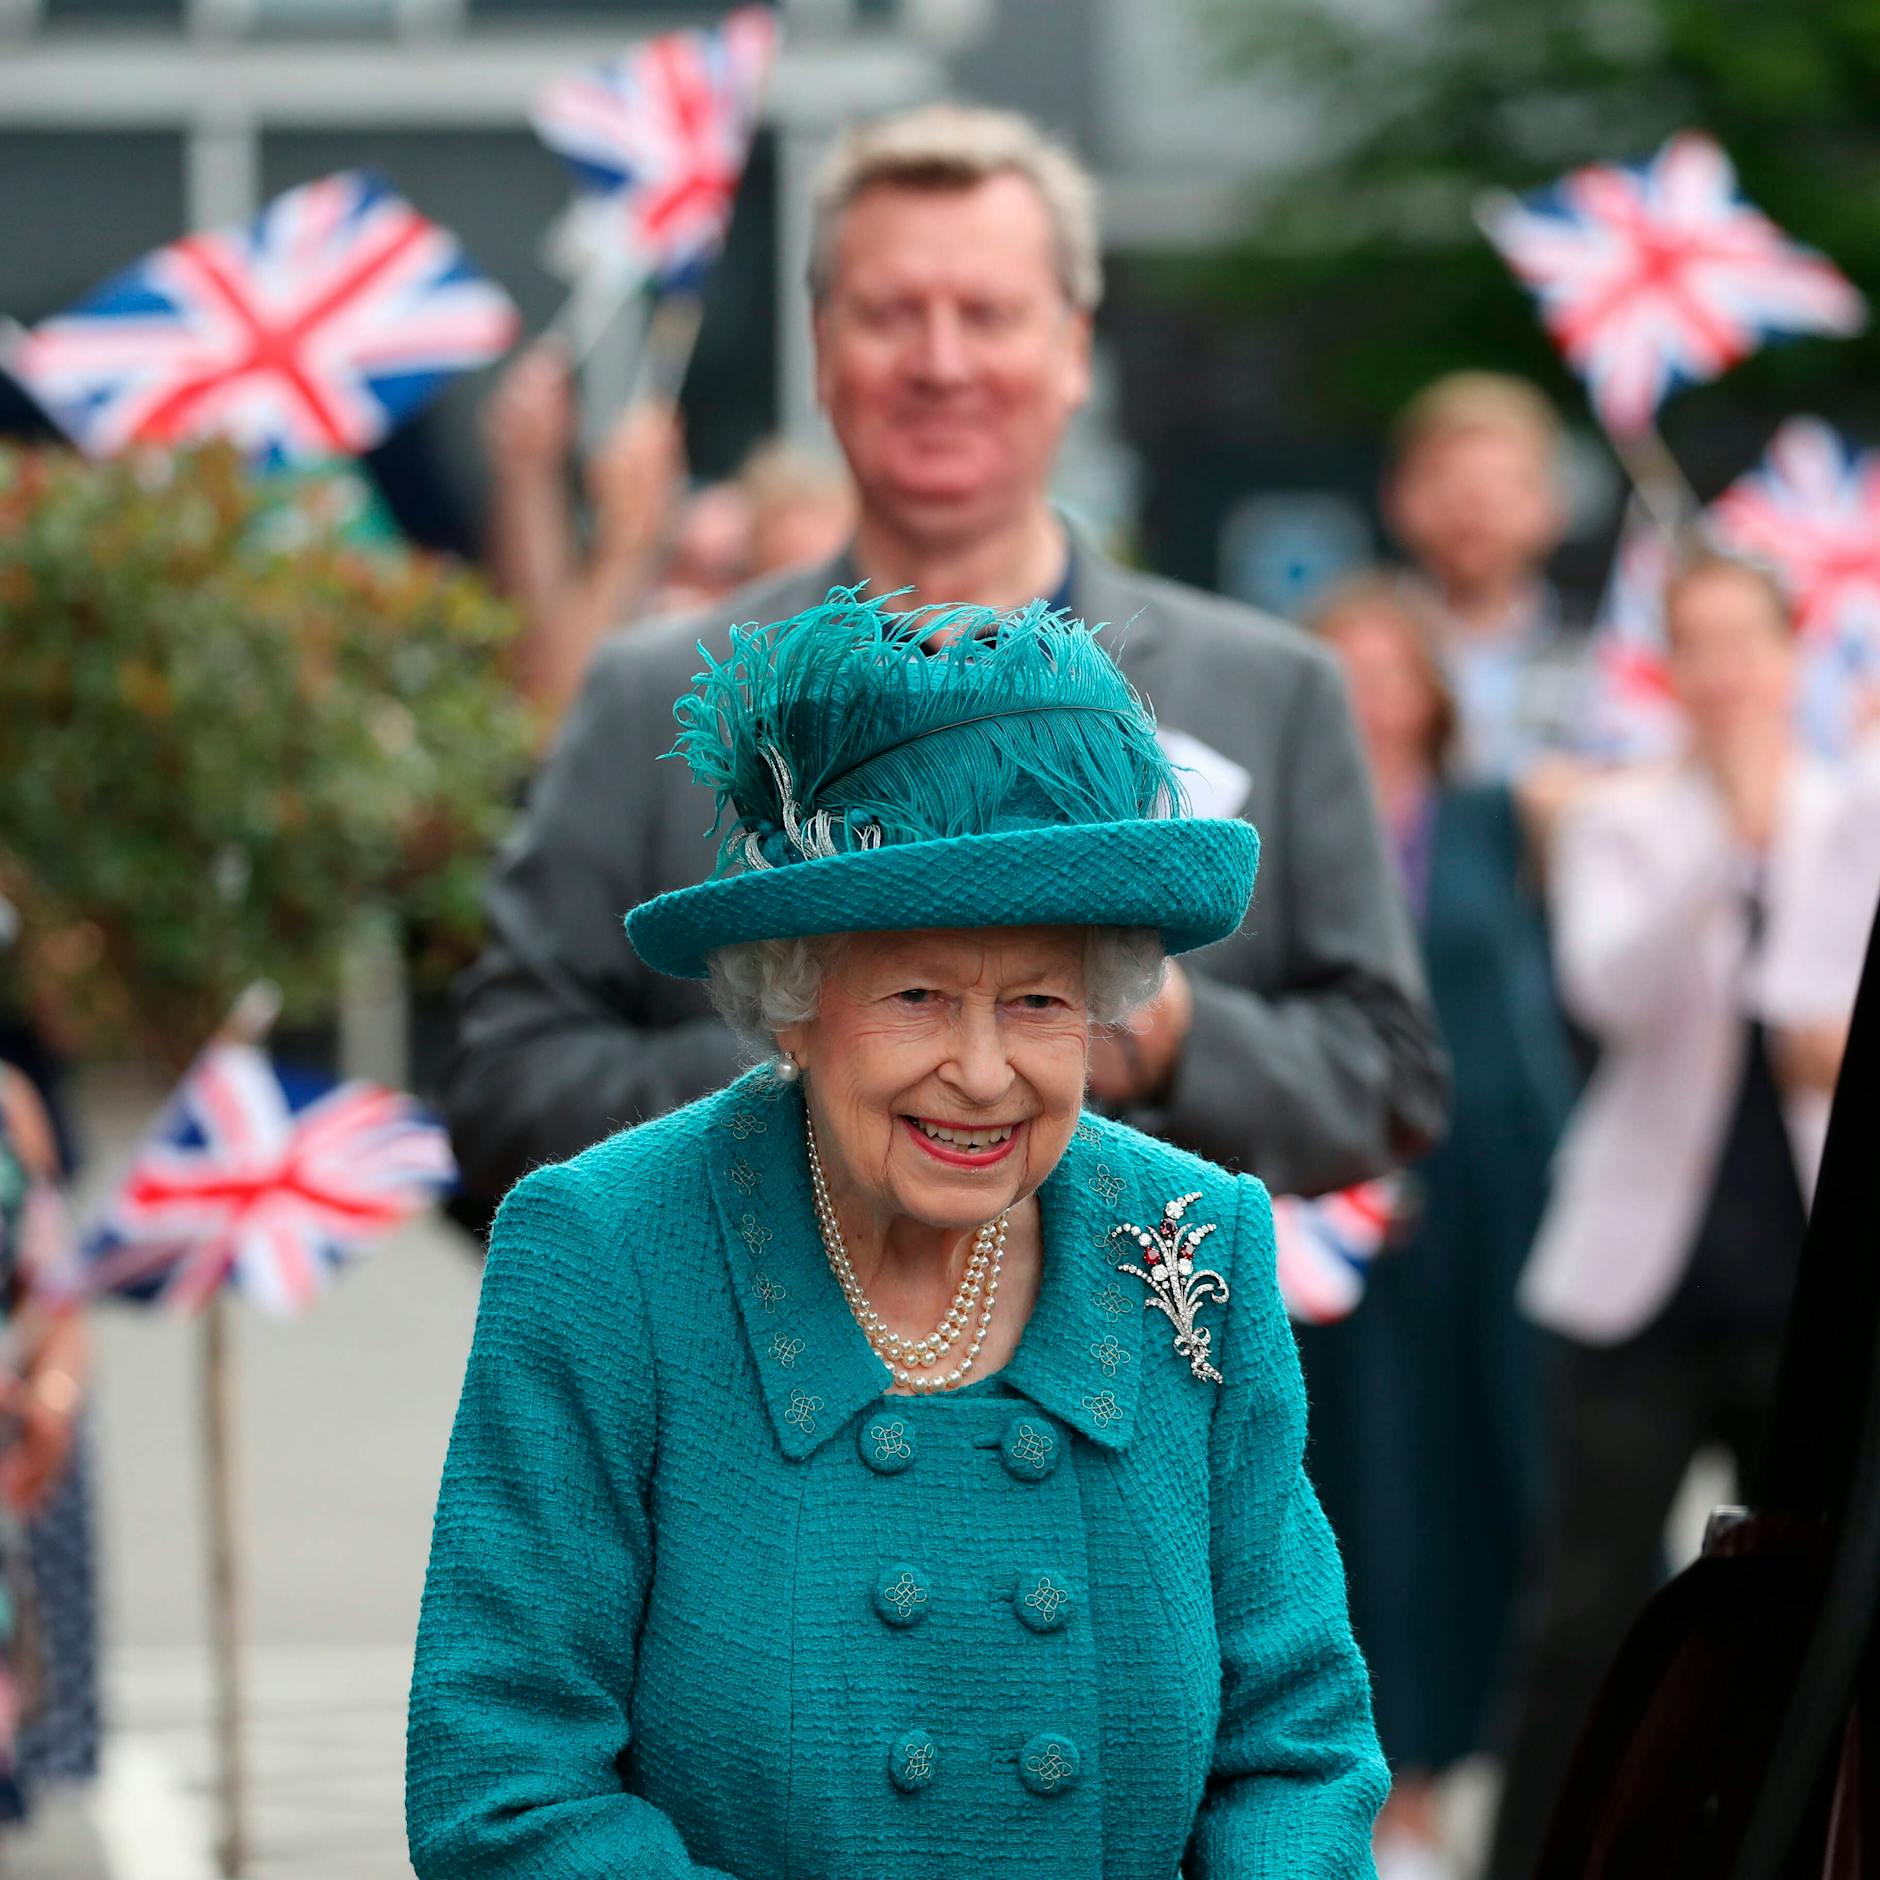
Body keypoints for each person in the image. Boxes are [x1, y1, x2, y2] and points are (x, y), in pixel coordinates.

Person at [406, 592, 1389, 1877]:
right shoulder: (603, 1254)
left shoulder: (1193, 1238)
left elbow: (1296, 1747)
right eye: (918, 996)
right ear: (793, 999)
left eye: (1037, 1001)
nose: (982, 1073)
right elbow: (507, 1786)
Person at [445, 103, 1446, 1206]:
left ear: (1071, 350)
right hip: (751, 1362)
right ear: (821, 347)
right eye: (888, 313)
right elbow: (503, 1089)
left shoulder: (1274, 689)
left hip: (1146, 1362)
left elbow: (1389, 1081)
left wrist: (1154, 1031)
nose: (939, 361)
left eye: (987, 312)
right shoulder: (655, 694)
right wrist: (814, 1035)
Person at [1485, 551, 1880, 1878]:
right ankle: (1544, 1851)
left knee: (1821, 1598)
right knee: (1586, 1604)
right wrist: (1723, 830)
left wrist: (1795, 825)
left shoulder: (1851, 807)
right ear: (1667, 664)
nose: (1723, 672)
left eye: (1744, 643)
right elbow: (1608, 988)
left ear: (1788, 652)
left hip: (1812, 1280)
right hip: (1641, 1277)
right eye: (1694, 645)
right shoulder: (1625, 817)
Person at [1301, 578, 1579, 1878]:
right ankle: (1354, 1760)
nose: (1370, 697)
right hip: (1330, 1190)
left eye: (1389, 669)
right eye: (1342, 671)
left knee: (1484, 1459)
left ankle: (1444, 1762)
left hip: (1482, 1189)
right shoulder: (1283, 828)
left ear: (1432, 686)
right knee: (1353, 1474)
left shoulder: (1500, 816)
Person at [1383, 373, 1590, 784]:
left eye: (1500, 486)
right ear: (1400, 497)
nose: (1473, 510)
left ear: (1552, 504)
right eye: (1450, 483)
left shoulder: (1604, 653)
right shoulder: (1348, 654)